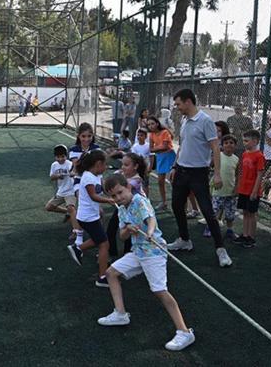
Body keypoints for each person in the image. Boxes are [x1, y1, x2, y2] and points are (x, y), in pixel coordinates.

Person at [98, 174, 195, 352]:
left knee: (159, 290)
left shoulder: (139, 201)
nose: (118, 197)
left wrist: (149, 232)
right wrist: (128, 229)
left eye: (120, 192)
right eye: (114, 196)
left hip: (154, 253)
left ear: (127, 187)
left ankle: (184, 331)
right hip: (138, 252)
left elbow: (151, 219)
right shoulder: (121, 209)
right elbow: (122, 236)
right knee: (111, 273)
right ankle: (120, 314)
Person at [166, 89, 232, 268]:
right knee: (177, 206)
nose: (177, 107)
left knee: (208, 212)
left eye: (178, 104)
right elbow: (182, 145)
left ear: (188, 102)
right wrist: (175, 166)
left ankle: (221, 250)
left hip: (198, 174)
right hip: (181, 171)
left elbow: (215, 149)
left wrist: (217, 173)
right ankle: (184, 240)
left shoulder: (205, 121)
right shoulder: (184, 119)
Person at [67, 149, 114, 287]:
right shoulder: (87, 177)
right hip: (87, 218)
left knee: (99, 239)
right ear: (98, 164)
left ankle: (78, 248)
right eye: (105, 165)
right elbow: (93, 195)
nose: (106, 168)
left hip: (91, 216)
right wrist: (109, 201)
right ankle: (102, 277)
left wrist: (113, 192)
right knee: (104, 244)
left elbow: (102, 188)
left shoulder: (96, 176)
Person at [106, 153, 146, 258]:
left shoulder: (137, 179)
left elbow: (125, 190)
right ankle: (111, 252)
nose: (123, 167)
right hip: (124, 207)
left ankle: (128, 256)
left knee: (130, 233)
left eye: (126, 165)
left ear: (135, 166)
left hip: (136, 210)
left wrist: (116, 177)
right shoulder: (122, 174)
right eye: (122, 164)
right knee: (111, 228)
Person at [68, 123, 101, 245]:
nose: (86, 139)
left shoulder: (96, 148)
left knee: (98, 212)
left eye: (89, 136)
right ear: (78, 136)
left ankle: (97, 234)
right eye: (83, 136)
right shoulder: (74, 149)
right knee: (82, 207)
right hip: (80, 181)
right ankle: (79, 234)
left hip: (95, 181)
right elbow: (79, 167)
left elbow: (97, 166)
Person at [233, 130, 266, 248]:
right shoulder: (244, 154)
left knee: (252, 214)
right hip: (243, 189)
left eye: (246, 141)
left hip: (252, 190)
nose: (244, 143)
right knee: (245, 212)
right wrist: (238, 186)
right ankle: (245, 234)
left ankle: (251, 237)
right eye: (244, 140)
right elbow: (241, 171)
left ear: (255, 141)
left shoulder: (259, 156)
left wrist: (255, 191)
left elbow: (260, 174)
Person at [211, 134, 239, 240]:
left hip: (231, 192)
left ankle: (229, 230)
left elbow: (237, 174)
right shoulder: (218, 156)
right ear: (222, 145)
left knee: (230, 213)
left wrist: (236, 187)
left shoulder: (236, 159)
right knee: (214, 211)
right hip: (218, 191)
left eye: (231, 143)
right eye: (226, 143)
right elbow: (210, 166)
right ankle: (210, 228)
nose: (229, 145)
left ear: (235, 145)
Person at [45, 145, 76, 225]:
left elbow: (74, 173)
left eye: (62, 156)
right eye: (58, 157)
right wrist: (58, 176)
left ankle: (76, 231)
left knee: (71, 208)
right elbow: (51, 177)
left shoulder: (70, 164)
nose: (60, 159)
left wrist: (73, 173)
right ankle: (68, 213)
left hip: (70, 191)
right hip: (61, 191)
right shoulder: (54, 165)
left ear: (66, 156)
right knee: (49, 207)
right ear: (55, 157)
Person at [148, 116, 175, 211]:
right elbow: (151, 148)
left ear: (157, 123)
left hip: (169, 156)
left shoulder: (165, 132)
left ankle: (178, 202)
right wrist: (158, 148)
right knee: (160, 181)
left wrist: (156, 149)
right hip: (160, 158)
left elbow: (165, 147)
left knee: (173, 181)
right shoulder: (151, 135)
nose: (151, 126)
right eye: (149, 124)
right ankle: (164, 202)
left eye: (152, 123)